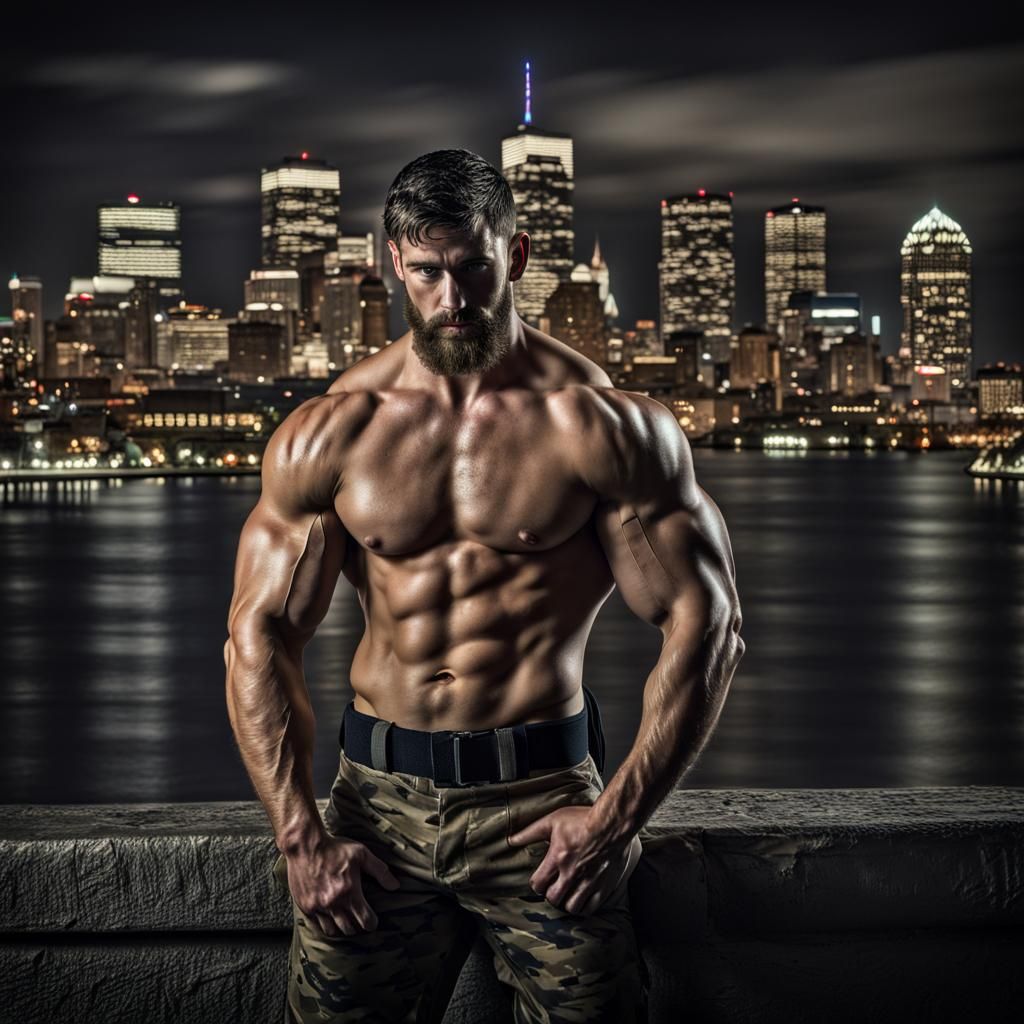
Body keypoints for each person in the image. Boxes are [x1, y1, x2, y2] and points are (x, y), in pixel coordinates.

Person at [224, 148, 745, 1024]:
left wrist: (616, 821)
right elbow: (258, 637)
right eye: (426, 272)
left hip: (541, 809)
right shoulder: (335, 430)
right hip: (376, 813)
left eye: (473, 267)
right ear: (394, 262)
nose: (451, 298)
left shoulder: (598, 425)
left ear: (518, 254)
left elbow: (708, 626)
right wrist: (301, 836)